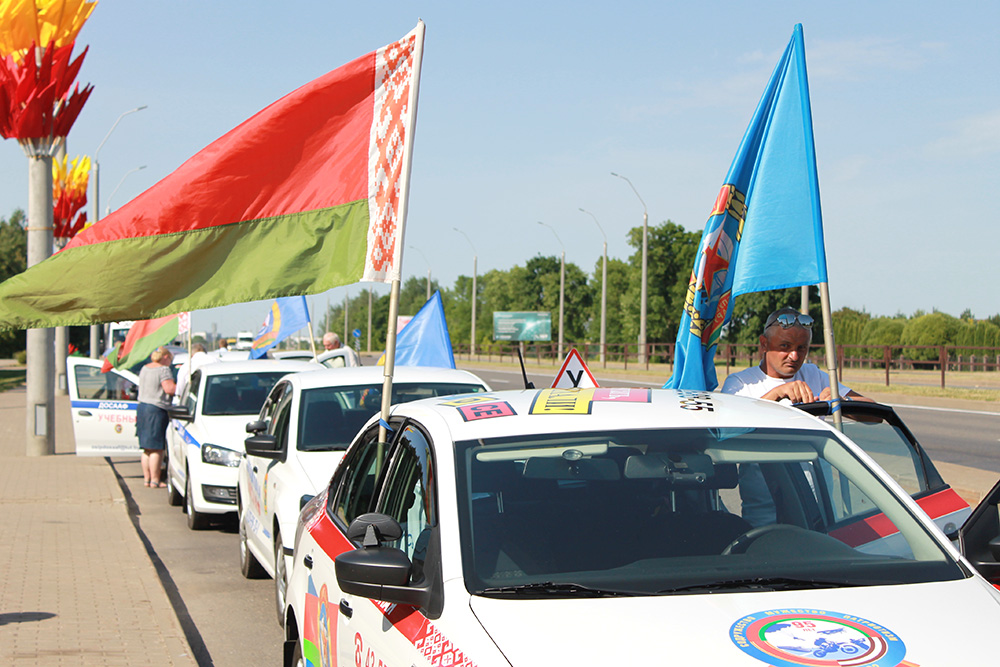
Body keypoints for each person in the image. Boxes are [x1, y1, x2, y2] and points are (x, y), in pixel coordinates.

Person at [720, 307, 872, 526]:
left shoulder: (813, 374)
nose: (794, 356)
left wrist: (842, 401)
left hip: (820, 515)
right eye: (785, 346)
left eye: (802, 348)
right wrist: (775, 395)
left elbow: (874, 415)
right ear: (764, 344)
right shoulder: (741, 383)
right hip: (765, 521)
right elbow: (727, 432)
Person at [137, 346, 176, 488]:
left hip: (142, 408)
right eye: (170, 360)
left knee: (146, 449)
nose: (170, 363)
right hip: (156, 409)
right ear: (165, 357)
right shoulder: (163, 370)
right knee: (156, 448)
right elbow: (169, 388)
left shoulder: (144, 368)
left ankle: (147, 479)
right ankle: (155, 479)